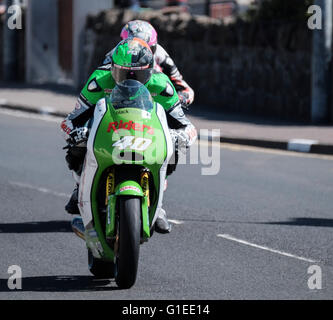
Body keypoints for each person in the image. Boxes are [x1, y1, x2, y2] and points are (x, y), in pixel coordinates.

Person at [61, 38, 197, 234]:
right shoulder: (99, 81)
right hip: (105, 132)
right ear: (113, 68)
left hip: (146, 134)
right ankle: (80, 187)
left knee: (174, 148)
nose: (130, 79)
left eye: (138, 74)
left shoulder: (161, 85)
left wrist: (181, 136)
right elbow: (69, 120)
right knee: (77, 145)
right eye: (123, 73)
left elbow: (186, 125)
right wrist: (77, 132)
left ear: (150, 70)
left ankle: (157, 202)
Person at [103, 20, 194, 109]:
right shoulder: (115, 54)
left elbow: (184, 88)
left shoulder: (161, 54)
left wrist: (180, 99)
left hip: (152, 106)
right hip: (118, 103)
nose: (140, 54)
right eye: (134, 49)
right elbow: (100, 79)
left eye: (148, 48)